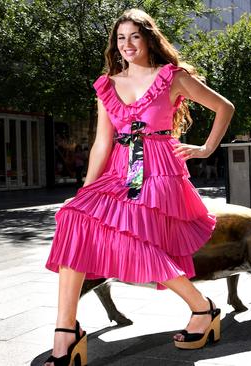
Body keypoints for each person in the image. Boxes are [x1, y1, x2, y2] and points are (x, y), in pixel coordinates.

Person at [43, 9, 234, 366]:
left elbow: (224, 107)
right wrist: (86, 192)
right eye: (120, 38)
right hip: (119, 170)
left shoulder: (171, 76)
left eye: (134, 37)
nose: (127, 45)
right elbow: (102, 143)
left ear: (148, 39)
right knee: (73, 217)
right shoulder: (108, 84)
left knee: (134, 236)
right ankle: (66, 331)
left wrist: (205, 149)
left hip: (159, 170)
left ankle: (202, 308)